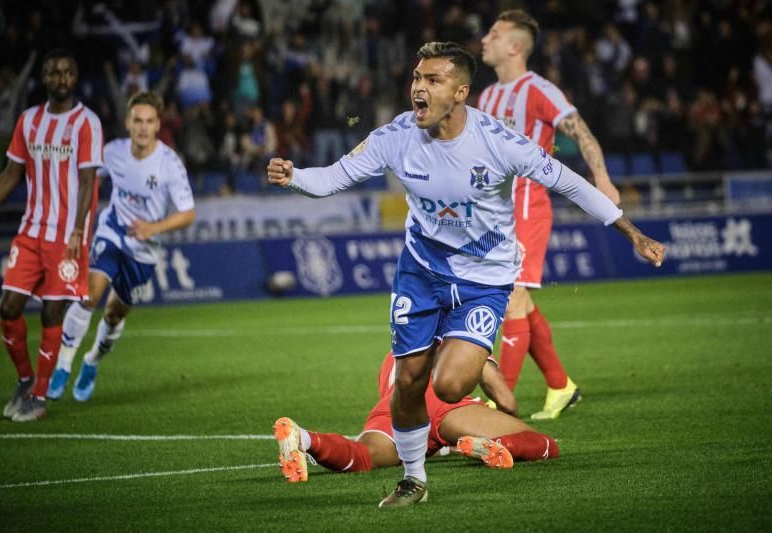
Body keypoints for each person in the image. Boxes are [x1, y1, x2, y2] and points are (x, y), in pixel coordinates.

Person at [267, 41, 665, 508]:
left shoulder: (498, 142)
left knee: (450, 385)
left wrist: (632, 233)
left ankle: (462, 375)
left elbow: (570, 183)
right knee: (410, 378)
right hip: (420, 270)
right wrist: (295, 175)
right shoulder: (394, 136)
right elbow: (333, 177)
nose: (418, 88)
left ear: (460, 92)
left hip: (484, 280)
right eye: (417, 78)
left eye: (432, 81)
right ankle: (413, 480)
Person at [478, 10, 622, 420]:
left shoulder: (539, 90)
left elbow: (580, 130)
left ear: (515, 46)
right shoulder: (487, 97)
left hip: (527, 207)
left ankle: (496, 406)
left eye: (494, 32)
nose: (485, 39)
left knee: (511, 299)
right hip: (494, 212)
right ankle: (561, 385)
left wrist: (602, 180)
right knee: (518, 303)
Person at [0, 49, 103, 422]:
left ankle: (39, 396)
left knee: (51, 310)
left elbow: (88, 179)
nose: (60, 78)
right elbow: (11, 173)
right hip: (30, 231)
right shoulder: (29, 121)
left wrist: (79, 230)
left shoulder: (86, 123)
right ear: (44, 77)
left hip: (66, 236)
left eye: (67, 72)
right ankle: (26, 379)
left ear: (75, 77)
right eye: (53, 72)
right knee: (8, 306)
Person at [46, 91, 196, 402]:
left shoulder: (169, 163)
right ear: (128, 123)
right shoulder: (112, 151)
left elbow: (188, 213)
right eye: (137, 120)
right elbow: (86, 178)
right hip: (113, 230)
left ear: (158, 125)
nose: (142, 127)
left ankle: (91, 362)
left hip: (145, 248)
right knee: (90, 292)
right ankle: (61, 365)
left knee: (114, 314)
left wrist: (154, 227)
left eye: (149, 121)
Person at [274, 351, 559, 483]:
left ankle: (306, 439)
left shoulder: (397, 350)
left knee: (363, 456)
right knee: (545, 443)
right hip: (448, 409)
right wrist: (505, 420)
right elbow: (505, 399)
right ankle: (501, 445)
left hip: (396, 406)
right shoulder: (465, 340)